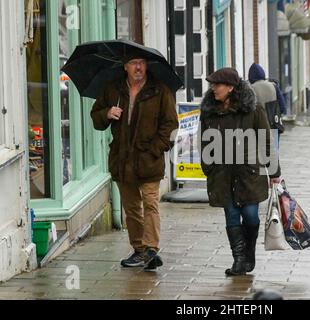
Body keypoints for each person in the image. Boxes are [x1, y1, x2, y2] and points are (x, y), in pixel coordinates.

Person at [91, 52, 179, 271]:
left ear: (147, 66)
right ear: (125, 67)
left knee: (150, 203)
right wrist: (107, 113)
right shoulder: (113, 89)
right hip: (122, 159)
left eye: (142, 63)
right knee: (131, 208)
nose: (138, 67)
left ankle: (151, 249)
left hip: (149, 159)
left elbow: (170, 125)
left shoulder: (160, 91)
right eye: (133, 63)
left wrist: (155, 150)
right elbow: (96, 119)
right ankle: (139, 250)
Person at [200, 68, 280, 276]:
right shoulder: (209, 110)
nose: (213, 89)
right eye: (213, 85)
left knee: (251, 215)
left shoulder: (253, 109)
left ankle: (249, 253)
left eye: (217, 85)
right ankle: (238, 260)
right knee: (232, 216)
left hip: (248, 172)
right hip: (222, 173)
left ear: (231, 88)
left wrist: (274, 171)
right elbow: (204, 139)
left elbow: (265, 140)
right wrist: (207, 167)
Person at [248, 63, 286, 150]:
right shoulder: (273, 86)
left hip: (257, 127)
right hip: (274, 125)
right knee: (273, 153)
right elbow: (283, 107)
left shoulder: (250, 89)